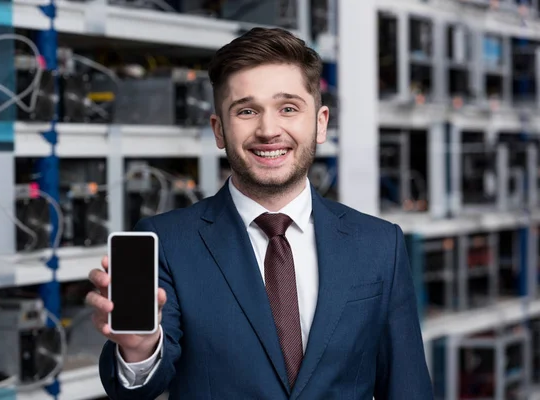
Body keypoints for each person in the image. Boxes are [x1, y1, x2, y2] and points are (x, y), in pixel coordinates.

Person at [87, 27, 434, 399]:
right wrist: (140, 350)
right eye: (247, 111)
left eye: (288, 108)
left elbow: (408, 387)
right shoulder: (168, 242)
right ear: (219, 130)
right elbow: (137, 389)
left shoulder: (380, 245)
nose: (269, 130)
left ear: (320, 122)